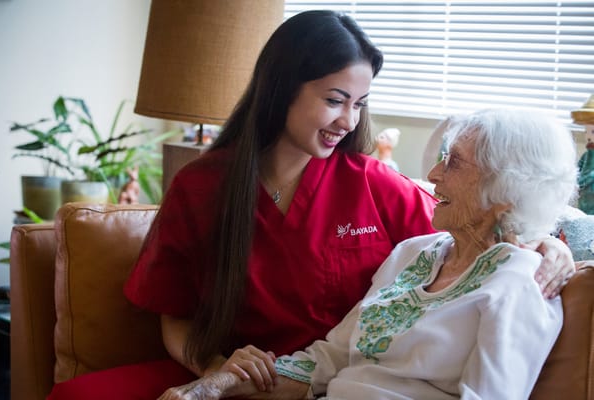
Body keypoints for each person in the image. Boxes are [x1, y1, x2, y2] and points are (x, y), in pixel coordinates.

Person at [47, 11, 574, 400]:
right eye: (334, 99)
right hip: (240, 373)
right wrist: (216, 368)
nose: (348, 120)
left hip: (325, 381)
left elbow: (477, 227)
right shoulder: (203, 188)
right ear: (282, 90)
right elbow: (174, 315)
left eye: (360, 103)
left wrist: (550, 245)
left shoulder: (376, 184)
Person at [173, 108, 578, 399]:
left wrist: (555, 244)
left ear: (504, 193)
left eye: (453, 163)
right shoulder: (412, 253)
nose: (433, 175)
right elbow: (330, 358)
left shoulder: (522, 283)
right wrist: (213, 386)